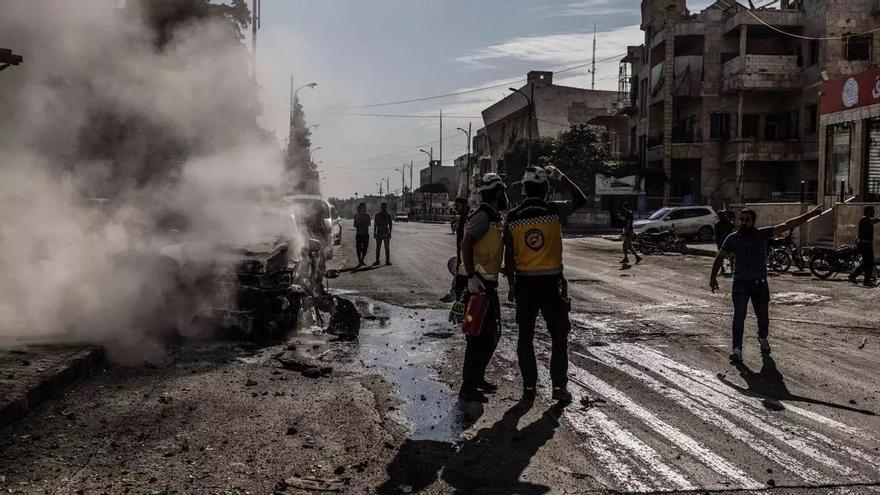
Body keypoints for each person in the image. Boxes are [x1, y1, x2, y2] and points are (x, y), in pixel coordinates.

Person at [505, 165, 587, 403]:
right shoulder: (554, 210)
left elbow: (508, 257)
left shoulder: (512, 217)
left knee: (525, 337)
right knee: (559, 337)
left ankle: (529, 388)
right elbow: (581, 199)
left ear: (524, 189)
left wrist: (511, 284)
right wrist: (562, 176)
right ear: (545, 187)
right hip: (552, 285)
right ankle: (559, 388)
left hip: (525, 285)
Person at [709, 206, 822, 363]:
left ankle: (762, 337)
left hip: (760, 284)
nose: (743, 222)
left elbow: (787, 224)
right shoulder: (733, 238)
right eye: (741, 219)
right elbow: (720, 256)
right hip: (740, 284)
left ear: (753, 222)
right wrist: (712, 278)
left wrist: (810, 214)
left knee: (763, 317)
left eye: (747, 220)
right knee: (739, 316)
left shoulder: (762, 234)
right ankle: (737, 350)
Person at [458, 174, 508, 403]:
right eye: (503, 191)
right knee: (478, 335)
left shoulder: (494, 216)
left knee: (491, 334)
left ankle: (476, 379)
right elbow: (465, 244)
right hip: (478, 283)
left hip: (487, 282)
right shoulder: (483, 216)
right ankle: (468, 387)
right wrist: (471, 276)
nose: (506, 196)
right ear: (498, 193)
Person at [849, 205, 880, 287]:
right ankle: (865, 281)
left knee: (867, 263)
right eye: (872, 211)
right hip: (864, 244)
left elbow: (873, 221)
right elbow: (873, 221)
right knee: (869, 263)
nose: (874, 212)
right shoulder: (864, 219)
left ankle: (853, 276)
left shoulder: (866, 219)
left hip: (866, 244)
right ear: (868, 212)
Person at [714, 209, 735, 276]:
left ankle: (727, 270)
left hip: (726, 242)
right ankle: (726, 269)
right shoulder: (719, 223)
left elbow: (732, 226)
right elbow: (717, 235)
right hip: (724, 242)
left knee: (727, 257)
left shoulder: (725, 223)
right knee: (726, 257)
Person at [353, 203, 371, 268]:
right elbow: (354, 225)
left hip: (366, 234)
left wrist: (364, 223)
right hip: (359, 234)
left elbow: (369, 224)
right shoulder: (356, 215)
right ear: (359, 208)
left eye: (364, 207)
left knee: (365, 249)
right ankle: (360, 261)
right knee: (358, 248)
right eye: (362, 207)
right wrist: (358, 223)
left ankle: (362, 260)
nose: (363, 208)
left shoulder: (367, 215)